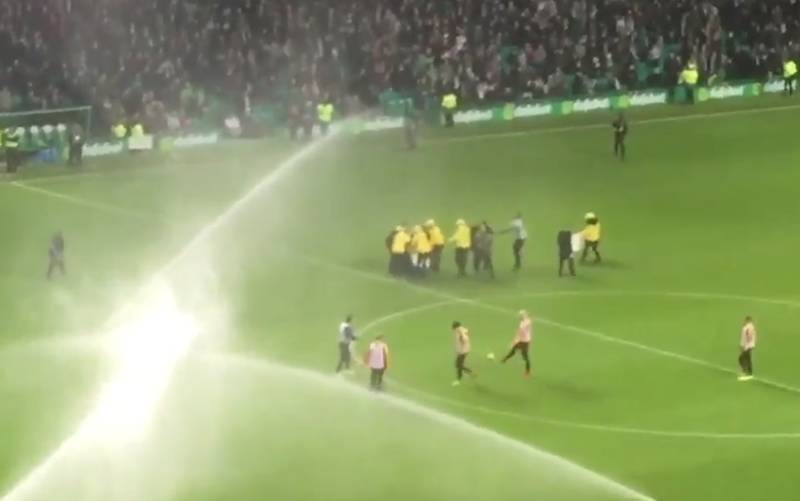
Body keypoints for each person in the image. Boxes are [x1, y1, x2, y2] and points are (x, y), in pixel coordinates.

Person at [501, 310, 533, 377]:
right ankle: (505, 359)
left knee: (525, 356)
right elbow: (519, 332)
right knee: (513, 350)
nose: (519, 316)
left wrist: (515, 341)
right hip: (521, 340)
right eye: (520, 315)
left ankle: (528, 371)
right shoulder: (522, 322)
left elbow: (524, 327)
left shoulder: (527, 322)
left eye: (520, 315)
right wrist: (515, 340)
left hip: (525, 341)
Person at [452, 321, 474, 386]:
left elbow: (464, 339)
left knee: (458, 365)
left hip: (463, 351)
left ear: (455, 326)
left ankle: (459, 379)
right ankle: (468, 372)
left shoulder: (459, 331)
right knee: (458, 365)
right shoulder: (462, 329)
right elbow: (468, 331)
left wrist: (462, 340)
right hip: (465, 350)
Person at [738, 316, 757, 381]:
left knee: (742, 358)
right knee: (747, 358)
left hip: (748, 345)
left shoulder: (748, 327)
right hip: (749, 345)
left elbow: (748, 336)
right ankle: (749, 373)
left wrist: (744, 346)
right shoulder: (748, 327)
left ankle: (745, 372)